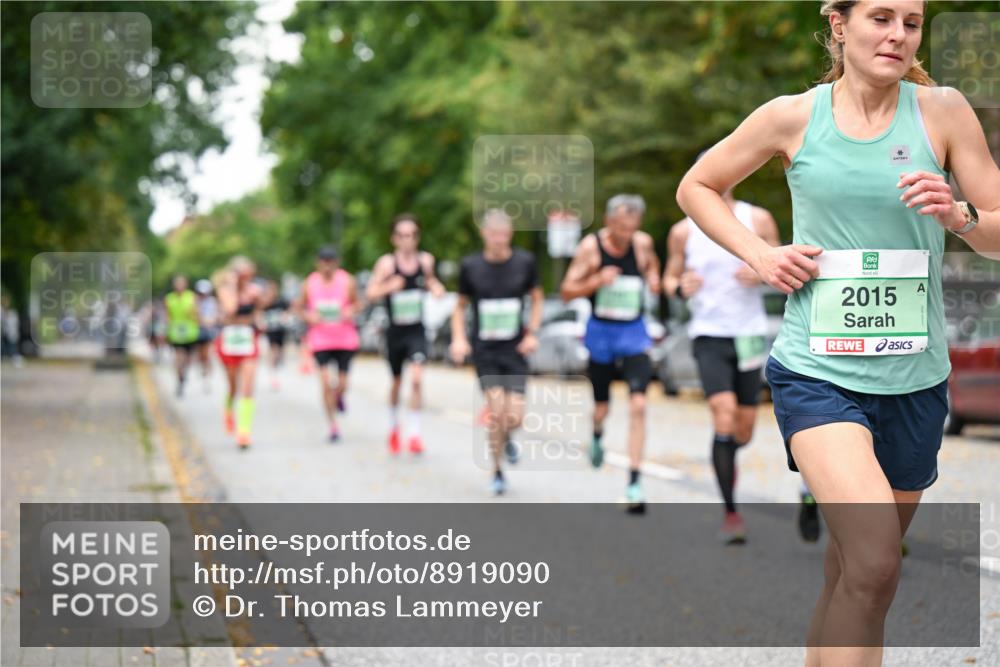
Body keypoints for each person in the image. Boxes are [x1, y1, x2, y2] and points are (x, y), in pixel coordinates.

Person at [676, 1, 999, 663]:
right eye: (881, 17)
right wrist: (760, 254)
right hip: (818, 371)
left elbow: (996, 227)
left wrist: (961, 215)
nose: (898, 34)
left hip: (916, 378)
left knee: (855, 573)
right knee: (878, 560)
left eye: (911, 22)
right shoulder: (792, 116)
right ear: (838, 24)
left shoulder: (942, 110)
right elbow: (698, 185)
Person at [664, 183, 781, 541]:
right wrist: (680, 286)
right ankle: (731, 514)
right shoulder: (683, 230)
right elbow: (669, 279)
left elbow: (782, 264)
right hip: (708, 334)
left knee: (742, 429)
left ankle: (726, 453)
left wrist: (763, 271)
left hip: (748, 333)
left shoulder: (757, 218)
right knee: (723, 411)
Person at [560, 194, 661, 513]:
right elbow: (566, 292)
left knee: (639, 405)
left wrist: (655, 279)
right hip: (601, 335)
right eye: (618, 225)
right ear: (608, 222)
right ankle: (597, 434)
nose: (624, 232)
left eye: (630, 226)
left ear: (637, 225)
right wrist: (595, 280)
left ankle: (634, 482)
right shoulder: (591, 248)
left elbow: (652, 267)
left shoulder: (642, 245)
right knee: (602, 407)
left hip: (633, 334)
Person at [450, 209, 543, 496]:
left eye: (504, 234)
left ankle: (508, 439)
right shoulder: (471, 266)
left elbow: (537, 298)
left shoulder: (525, 263)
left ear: (510, 235)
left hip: (515, 350)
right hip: (485, 351)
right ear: (484, 234)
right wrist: (458, 339)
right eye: (493, 234)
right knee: (497, 410)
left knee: (514, 416)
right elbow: (459, 306)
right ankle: (498, 471)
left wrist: (533, 333)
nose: (499, 240)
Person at [366, 213, 446, 455]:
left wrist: (437, 288)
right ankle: (393, 427)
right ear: (394, 239)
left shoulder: (425, 261)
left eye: (411, 235)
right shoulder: (387, 264)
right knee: (397, 383)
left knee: (417, 378)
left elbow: (431, 281)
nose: (406, 240)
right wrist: (390, 286)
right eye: (401, 235)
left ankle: (414, 433)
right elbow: (371, 292)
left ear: (417, 237)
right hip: (395, 332)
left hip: (416, 330)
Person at [295, 246, 360, 442]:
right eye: (324, 261)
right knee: (324, 382)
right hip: (320, 339)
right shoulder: (309, 282)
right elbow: (299, 307)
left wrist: (351, 311)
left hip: (345, 338)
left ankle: (339, 396)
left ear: (336, 262)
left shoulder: (347, 280)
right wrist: (308, 316)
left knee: (342, 384)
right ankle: (333, 426)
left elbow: (358, 303)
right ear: (318, 262)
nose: (327, 265)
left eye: (330, 261)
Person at [214, 257, 266, 449]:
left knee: (247, 387)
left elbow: (259, 310)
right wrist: (235, 287)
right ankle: (228, 409)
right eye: (242, 273)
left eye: (249, 274)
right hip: (229, 340)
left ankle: (244, 432)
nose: (247, 277)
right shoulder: (225, 290)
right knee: (233, 386)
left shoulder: (253, 290)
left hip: (248, 340)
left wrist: (259, 306)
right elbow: (231, 308)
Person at [164, 275, 200, 397]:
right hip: (176, 332)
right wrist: (167, 331)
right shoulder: (169, 298)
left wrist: (193, 314)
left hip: (190, 331)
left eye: (182, 283)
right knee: (179, 356)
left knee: (188, 358)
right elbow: (168, 316)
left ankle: (185, 372)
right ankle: (180, 378)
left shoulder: (191, 297)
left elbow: (197, 313)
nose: (179, 286)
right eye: (177, 283)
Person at [262, 280, 291, 392]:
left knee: (280, 350)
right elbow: (259, 312)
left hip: (280, 329)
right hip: (270, 330)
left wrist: (285, 317)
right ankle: (273, 372)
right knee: (273, 349)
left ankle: (277, 364)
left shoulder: (281, 301)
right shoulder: (265, 302)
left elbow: (288, 311)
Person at [194, 279, 218, 393]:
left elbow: (215, 315)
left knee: (208, 354)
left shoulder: (212, 302)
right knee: (200, 355)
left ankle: (208, 377)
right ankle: (203, 371)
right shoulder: (195, 302)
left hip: (209, 331)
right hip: (197, 330)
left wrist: (210, 322)